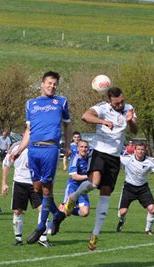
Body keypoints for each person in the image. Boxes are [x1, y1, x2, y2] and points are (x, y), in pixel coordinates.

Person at [57, 87, 138, 251]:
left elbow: (135, 131)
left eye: (122, 101)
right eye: (117, 103)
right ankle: (74, 197)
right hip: (100, 152)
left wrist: (130, 120)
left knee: (106, 195)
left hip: (114, 158)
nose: (121, 104)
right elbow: (85, 116)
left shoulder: (129, 109)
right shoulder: (102, 108)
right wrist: (103, 121)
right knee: (94, 183)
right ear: (110, 101)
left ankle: (95, 234)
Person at [10, 71, 71, 245]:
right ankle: (58, 214)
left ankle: (41, 227)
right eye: (49, 83)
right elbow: (28, 131)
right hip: (33, 150)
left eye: (55, 84)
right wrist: (20, 149)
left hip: (50, 149)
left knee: (46, 190)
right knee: (37, 188)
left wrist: (66, 145)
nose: (52, 86)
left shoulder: (61, 102)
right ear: (42, 84)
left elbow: (67, 125)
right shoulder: (30, 104)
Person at [2, 141, 51, 247]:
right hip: (19, 183)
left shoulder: (40, 146)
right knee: (17, 211)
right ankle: (18, 238)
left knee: (43, 209)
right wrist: (4, 183)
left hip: (36, 183)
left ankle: (42, 238)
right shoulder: (16, 147)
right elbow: (6, 164)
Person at [116, 142, 154, 235]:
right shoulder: (127, 159)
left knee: (152, 209)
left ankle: (148, 230)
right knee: (122, 212)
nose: (140, 151)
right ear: (135, 150)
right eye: (138, 149)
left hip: (143, 188)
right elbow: (114, 156)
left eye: (142, 149)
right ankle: (121, 221)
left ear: (145, 150)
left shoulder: (149, 161)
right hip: (128, 188)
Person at [61, 139, 91, 218]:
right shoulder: (75, 159)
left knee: (85, 213)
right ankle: (62, 209)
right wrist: (88, 177)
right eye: (81, 147)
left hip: (82, 189)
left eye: (85, 147)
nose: (83, 149)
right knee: (67, 213)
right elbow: (74, 176)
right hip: (73, 188)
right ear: (78, 148)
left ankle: (64, 208)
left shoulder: (89, 159)